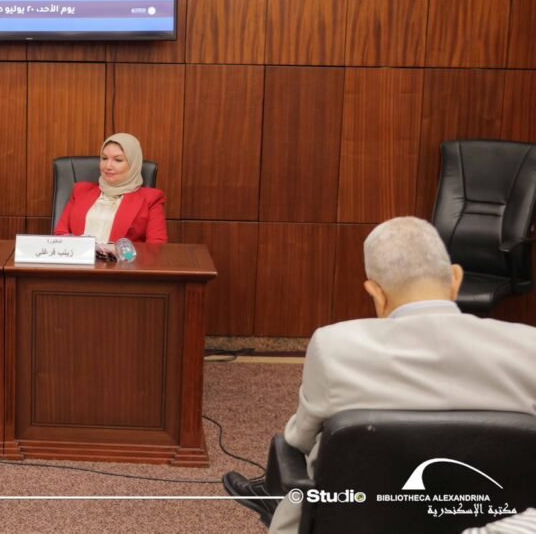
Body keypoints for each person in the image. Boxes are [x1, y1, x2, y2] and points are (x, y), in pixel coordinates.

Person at [224, 216, 536, 533]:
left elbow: (298, 440)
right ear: (455, 278)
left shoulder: (334, 346)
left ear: (376, 293)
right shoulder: (529, 346)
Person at [54, 133, 167, 244]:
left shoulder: (151, 199)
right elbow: (60, 234)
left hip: (123, 257)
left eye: (118, 160)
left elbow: (156, 246)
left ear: (133, 164)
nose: (107, 166)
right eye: (104, 158)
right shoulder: (80, 191)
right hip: (80, 255)